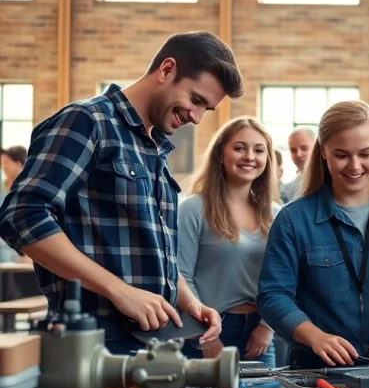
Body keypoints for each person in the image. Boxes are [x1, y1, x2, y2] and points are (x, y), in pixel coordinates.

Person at [0, 31, 241, 354]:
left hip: (155, 344)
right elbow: (22, 215)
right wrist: (118, 290)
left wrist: (189, 302)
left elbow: (154, 251)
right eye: (196, 100)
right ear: (166, 70)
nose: (196, 118)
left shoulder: (155, 150)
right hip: (93, 344)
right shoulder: (87, 122)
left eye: (206, 110)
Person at [258, 101, 369, 371]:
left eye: (365, 153)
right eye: (341, 154)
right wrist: (315, 337)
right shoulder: (293, 219)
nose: (354, 165)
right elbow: (272, 295)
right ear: (323, 151)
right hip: (319, 372)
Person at [178, 117, 280, 366]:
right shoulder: (193, 209)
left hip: (260, 335)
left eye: (258, 150)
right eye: (239, 148)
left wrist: (267, 327)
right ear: (220, 154)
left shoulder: (277, 214)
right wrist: (204, 333)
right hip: (210, 330)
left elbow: (287, 277)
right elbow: (180, 274)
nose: (249, 156)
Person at [280, 128, 314, 203]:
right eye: (293, 150)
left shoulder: (332, 182)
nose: (298, 154)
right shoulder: (287, 189)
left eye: (304, 148)